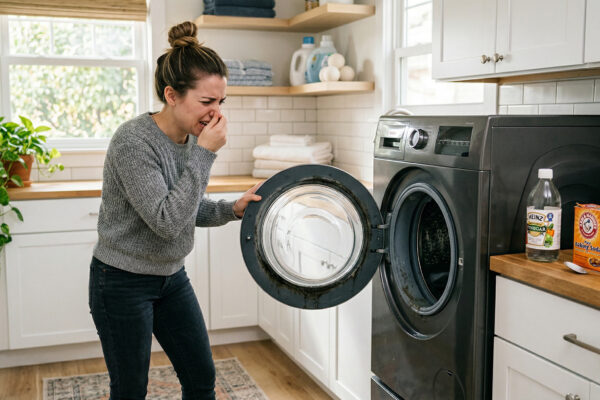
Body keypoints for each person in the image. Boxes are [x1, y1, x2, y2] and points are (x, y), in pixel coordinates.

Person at [89, 20, 261, 400]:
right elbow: (167, 221)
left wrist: (233, 208)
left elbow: (188, 209)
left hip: (171, 278)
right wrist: (205, 154)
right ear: (171, 94)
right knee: (131, 389)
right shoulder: (133, 142)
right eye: (206, 102)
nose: (216, 114)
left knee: (201, 380)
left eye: (221, 102)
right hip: (121, 282)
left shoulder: (189, 139)